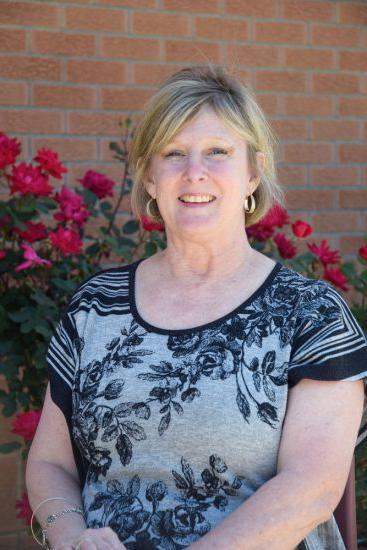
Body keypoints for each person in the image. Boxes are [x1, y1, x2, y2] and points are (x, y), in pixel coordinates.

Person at [26, 64, 367, 550]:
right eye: (173, 154)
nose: (194, 172)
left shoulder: (310, 316)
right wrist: (71, 537)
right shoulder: (94, 308)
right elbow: (49, 463)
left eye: (218, 152)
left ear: (253, 172)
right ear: (148, 176)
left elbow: (310, 489)